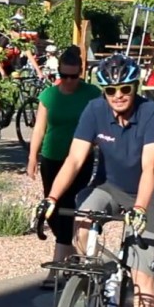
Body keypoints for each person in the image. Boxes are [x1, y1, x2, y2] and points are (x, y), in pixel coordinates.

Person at [36, 53, 154, 307]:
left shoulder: (151, 112)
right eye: (111, 90)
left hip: (148, 194)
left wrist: (139, 207)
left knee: (142, 276)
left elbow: (151, 167)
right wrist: (51, 198)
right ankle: (93, 280)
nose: (119, 95)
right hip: (109, 186)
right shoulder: (94, 110)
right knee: (81, 217)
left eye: (125, 88)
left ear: (134, 87)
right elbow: (75, 158)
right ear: (104, 92)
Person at [27, 46, 102, 289]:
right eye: (64, 76)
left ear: (81, 73)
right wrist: (32, 157)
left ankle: (59, 269)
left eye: (74, 76)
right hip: (53, 157)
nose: (69, 81)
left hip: (80, 159)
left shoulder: (91, 94)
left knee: (73, 207)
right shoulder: (49, 95)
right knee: (54, 207)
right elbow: (39, 128)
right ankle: (71, 260)